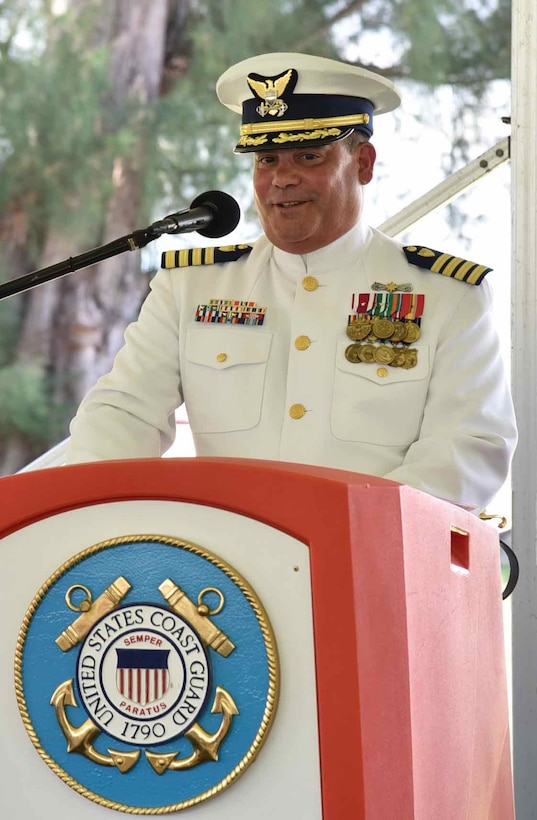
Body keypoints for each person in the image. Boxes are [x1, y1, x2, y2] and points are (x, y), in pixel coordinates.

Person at [66, 52, 517, 512]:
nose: (282, 179)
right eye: (267, 160)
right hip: (223, 567)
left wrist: (341, 521)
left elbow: (467, 451)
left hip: (369, 560)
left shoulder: (447, 295)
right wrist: (83, 507)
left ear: (363, 163)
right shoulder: (192, 287)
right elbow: (124, 411)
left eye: (308, 156)